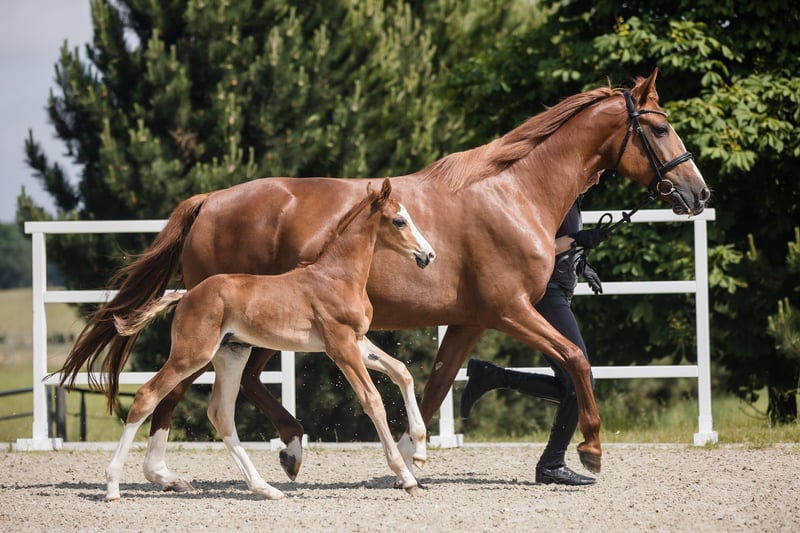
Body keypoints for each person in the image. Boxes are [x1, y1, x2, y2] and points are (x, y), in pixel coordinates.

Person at [460, 195, 607, 486]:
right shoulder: (555, 195)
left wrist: (580, 265)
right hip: (547, 294)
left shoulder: (573, 198)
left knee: (575, 384)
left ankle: (493, 376)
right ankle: (551, 464)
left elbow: (559, 247)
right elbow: (534, 249)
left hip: (559, 290)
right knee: (580, 381)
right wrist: (577, 240)